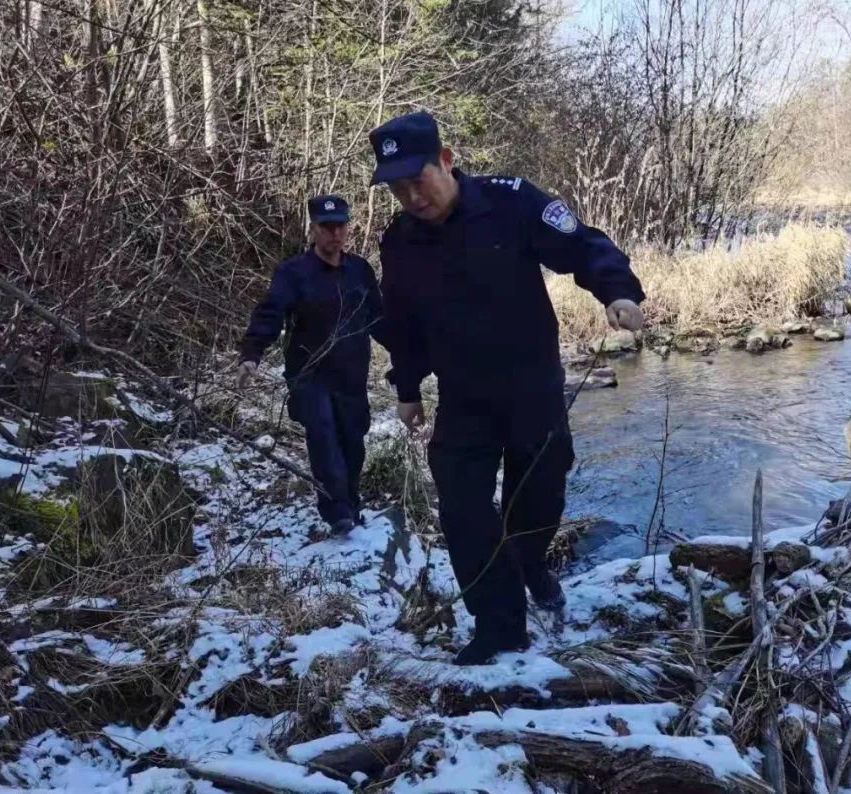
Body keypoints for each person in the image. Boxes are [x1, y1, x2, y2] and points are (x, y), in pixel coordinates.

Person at [370, 111, 645, 665]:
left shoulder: (512, 201)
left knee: (537, 501)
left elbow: (582, 245)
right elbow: (402, 322)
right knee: (463, 510)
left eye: (417, 180)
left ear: (446, 162)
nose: (411, 197)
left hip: (532, 388)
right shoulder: (399, 242)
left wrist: (617, 291)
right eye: (397, 189)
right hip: (463, 397)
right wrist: (406, 387)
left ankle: (532, 566)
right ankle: (500, 631)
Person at [237, 195, 386, 536]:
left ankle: (350, 501)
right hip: (309, 375)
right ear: (313, 229)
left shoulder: (359, 271)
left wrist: (410, 358)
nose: (335, 234)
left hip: (351, 376)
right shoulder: (294, 273)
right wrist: (251, 353)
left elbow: (380, 319)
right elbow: (271, 312)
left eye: (340, 226)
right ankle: (337, 511)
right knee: (322, 435)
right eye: (327, 227)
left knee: (352, 441)